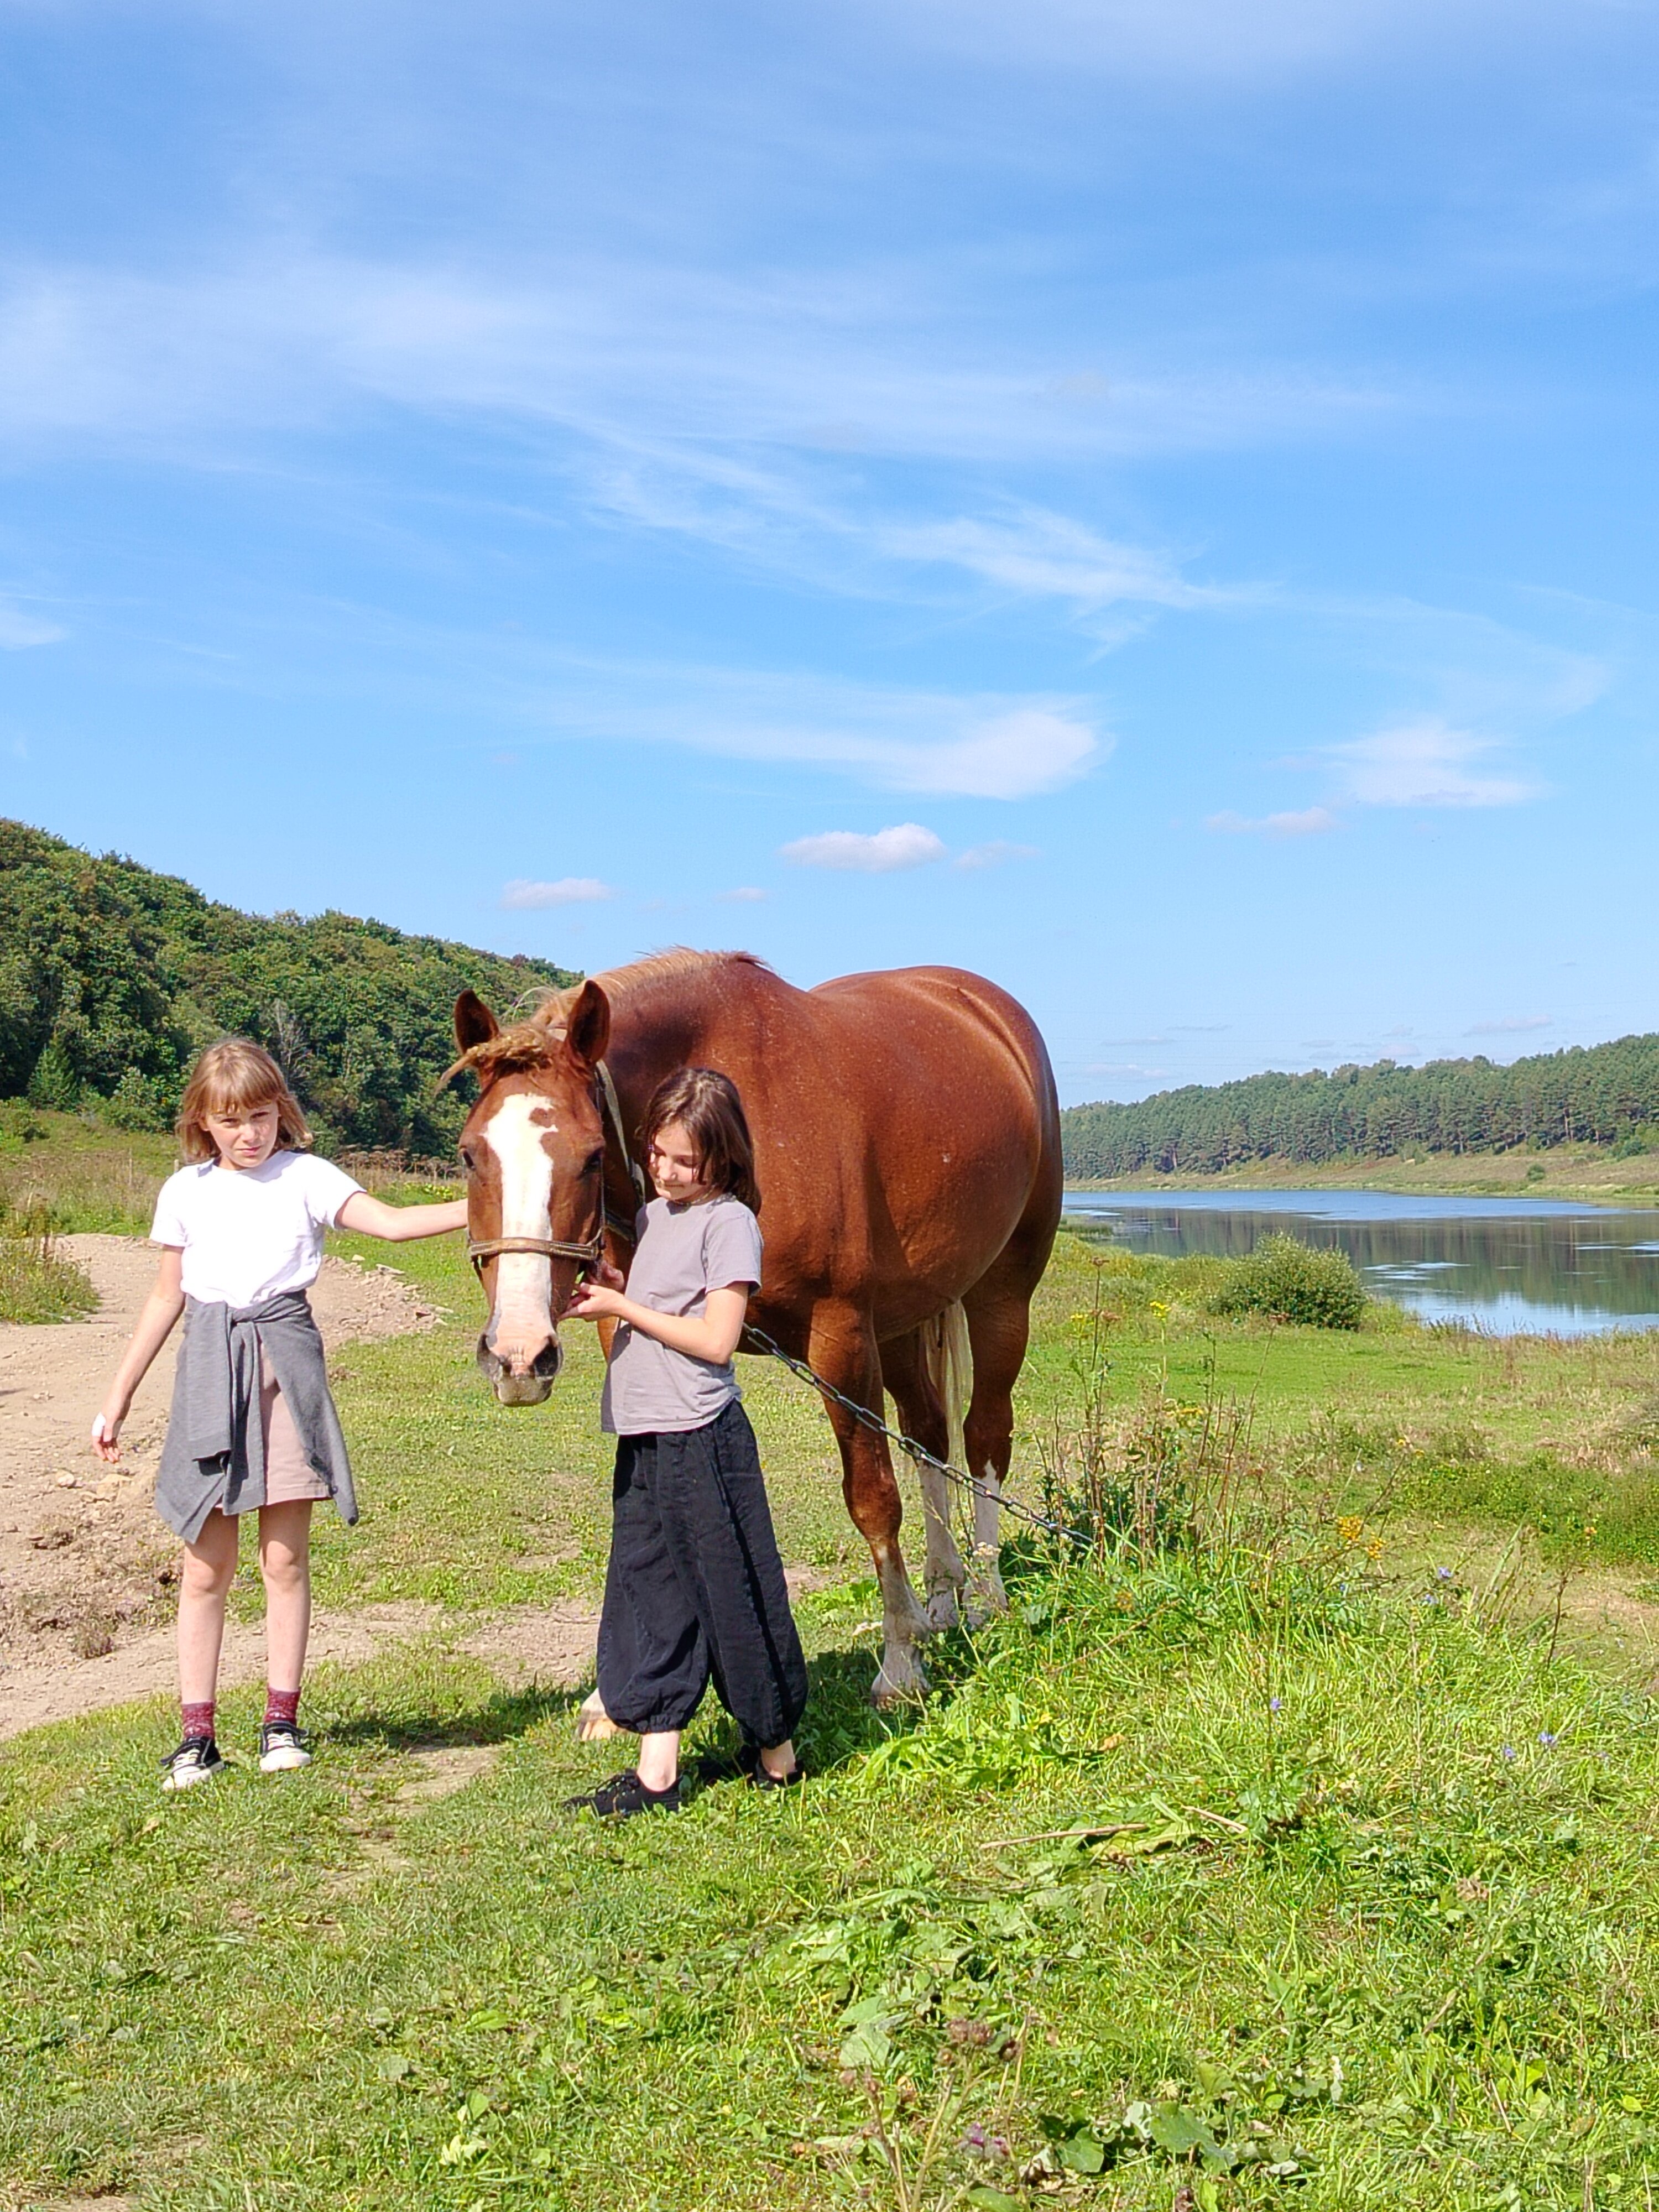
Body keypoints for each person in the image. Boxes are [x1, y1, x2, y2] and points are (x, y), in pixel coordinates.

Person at [92, 1039, 468, 1791]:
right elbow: (166, 1296)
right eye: (231, 1121)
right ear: (203, 1122)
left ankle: (280, 1724)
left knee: (285, 1559)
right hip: (209, 1369)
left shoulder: (307, 1176)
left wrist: (494, 1204)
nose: (249, 1134)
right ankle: (196, 1737)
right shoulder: (185, 1192)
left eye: (261, 1117)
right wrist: (120, 1395)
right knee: (206, 1566)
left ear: (281, 1113)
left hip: (287, 1368)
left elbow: (392, 1224)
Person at [562, 1066, 808, 1817]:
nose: (665, 1171)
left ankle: (777, 1757)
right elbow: (665, 1300)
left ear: (723, 1160)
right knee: (648, 1592)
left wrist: (622, 1310)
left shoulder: (729, 1223)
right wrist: (619, 1288)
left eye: (684, 1161)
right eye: (656, 1154)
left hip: (702, 1437)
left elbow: (716, 1339)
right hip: (644, 1433)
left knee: (734, 1595)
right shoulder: (657, 1215)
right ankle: (657, 1775)